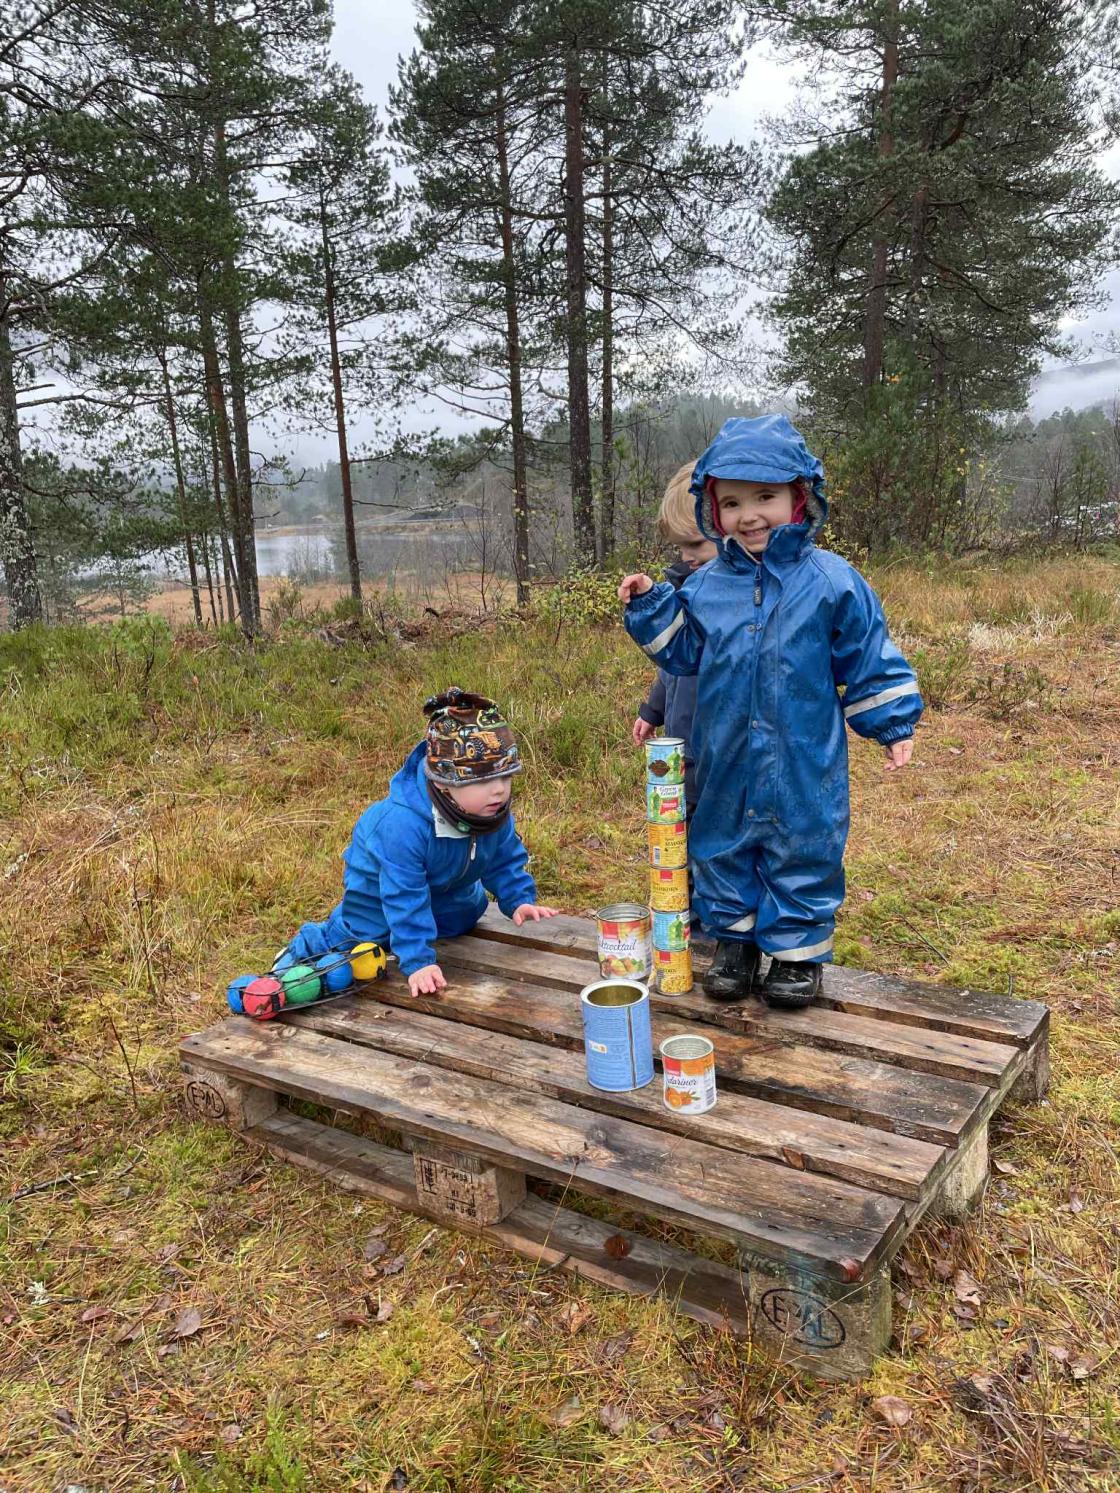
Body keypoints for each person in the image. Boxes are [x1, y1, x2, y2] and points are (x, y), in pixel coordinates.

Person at [618, 415, 922, 1009]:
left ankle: (795, 954)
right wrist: (653, 604)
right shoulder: (705, 587)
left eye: (765, 497)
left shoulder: (833, 582)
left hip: (804, 755)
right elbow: (682, 653)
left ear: (799, 498)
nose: (750, 515)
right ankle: (733, 942)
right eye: (732, 502)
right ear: (713, 510)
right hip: (724, 751)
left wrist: (892, 723)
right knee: (723, 840)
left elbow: (868, 655)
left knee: (804, 845)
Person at [284, 688, 558, 997]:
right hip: (378, 894)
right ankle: (306, 948)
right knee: (363, 938)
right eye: (481, 781)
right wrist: (418, 961)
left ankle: (424, 931)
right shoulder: (403, 826)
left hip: (448, 890)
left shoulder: (491, 814)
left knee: (466, 914)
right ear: (444, 783)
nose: (498, 791)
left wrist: (518, 899)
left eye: (505, 778)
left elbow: (504, 858)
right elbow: (404, 894)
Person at [631, 462, 718, 815]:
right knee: (682, 828)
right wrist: (653, 709)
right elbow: (673, 665)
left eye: (694, 543)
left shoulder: (741, 606)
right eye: (680, 546)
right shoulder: (684, 591)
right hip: (683, 751)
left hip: (723, 756)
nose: (685, 556)